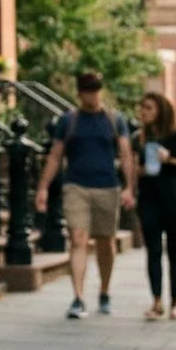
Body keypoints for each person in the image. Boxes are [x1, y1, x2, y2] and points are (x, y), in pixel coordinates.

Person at [32, 71, 138, 319]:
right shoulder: (69, 121)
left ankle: (104, 291)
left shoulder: (115, 119)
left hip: (107, 186)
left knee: (105, 242)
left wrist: (129, 187)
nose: (93, 94)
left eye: (97, 89)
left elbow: (125, 154)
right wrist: (43, 188)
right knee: (78, 238)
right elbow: (56, 155)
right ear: (80, 93)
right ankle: (78, 298)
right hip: (76, 186)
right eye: (89, 90)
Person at [134, 93, 176, 319]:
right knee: (153, 251)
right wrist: (139, 172)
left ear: (161, 111)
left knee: (175, 252)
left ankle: (174, 302)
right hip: (150, 198)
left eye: (149, 108)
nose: (143, 112)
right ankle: (156, 301)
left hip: (175, 200)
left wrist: (169, 159)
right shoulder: (140, 138)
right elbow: (133, 166)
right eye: (142, 107)